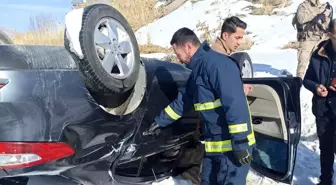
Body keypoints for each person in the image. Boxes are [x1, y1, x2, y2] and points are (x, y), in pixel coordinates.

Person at [144, 27, 256, 185]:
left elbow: (235, 106)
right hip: (214, 148)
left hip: (233, 149)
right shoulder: (197, 73)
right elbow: (181, 103)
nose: (178, 59)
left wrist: (241, 143)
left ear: (188, 47)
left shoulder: (219, 66)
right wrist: (159, 122)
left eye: (178, 54)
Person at [303, 18, 336, 185]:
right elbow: (307, 79)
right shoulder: (318, 54)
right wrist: (316, 87)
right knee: (326, 148)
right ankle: (326, 180)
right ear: (330, 34)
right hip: (323, 109)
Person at [211, 16, 252, 95]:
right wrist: (242, 91)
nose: (239, 42)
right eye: (237, 38)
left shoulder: (213, 51)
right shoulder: (221, 58)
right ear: (225, 36)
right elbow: (228, 93)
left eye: (241, 38)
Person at [292, 0, 332, 79]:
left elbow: (327, 26)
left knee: (322, 62)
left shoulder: (322, 6)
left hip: (321, 38)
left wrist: (326, 18)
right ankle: (298, 82)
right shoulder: (303, 6)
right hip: (308, 38)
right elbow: (301, 19)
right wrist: (316, 14)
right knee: (303, 62)